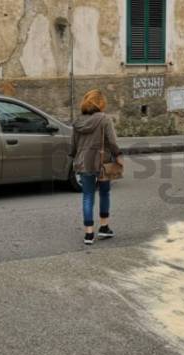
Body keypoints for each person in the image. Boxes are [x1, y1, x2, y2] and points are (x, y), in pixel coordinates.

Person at [69, 89, 123, 245]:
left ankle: (88, 234)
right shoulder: (105, 119)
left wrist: (73, 158)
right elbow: (112, 142)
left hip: (83, 162)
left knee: (87, 196)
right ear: (100, 103)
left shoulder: (78, 121)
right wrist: (118, 155)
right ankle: (104, 227)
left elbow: (73, 146)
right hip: (101, 162)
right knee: (104, 193)